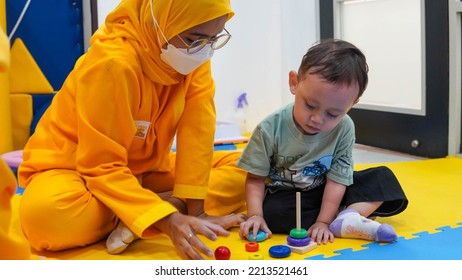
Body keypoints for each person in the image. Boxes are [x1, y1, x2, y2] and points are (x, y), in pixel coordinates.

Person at [17, 0, 247, 260]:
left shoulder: (194, 59)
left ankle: (156, 206)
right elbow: (100, 165)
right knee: (45, 217)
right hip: (74, 170)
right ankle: (145, 210)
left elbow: (198, 133)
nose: (203, 50)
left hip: (144, 170)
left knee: (253, 167)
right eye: (194, 39)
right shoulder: (114, 63)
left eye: (213, 39)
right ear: (161, 21)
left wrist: (195, 209)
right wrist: (168, 221)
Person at [237, 39, 408, 245]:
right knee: (273, 213)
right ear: (294, 82)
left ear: (352, 104)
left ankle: (345, 218)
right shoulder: (269, 129)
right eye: (310, 105)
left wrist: (324, 222)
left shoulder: (345, 127)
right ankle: (349, 216)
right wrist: (256, 215)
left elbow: (338, 179)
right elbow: (255, 179)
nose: (317, 119)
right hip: (289, 195)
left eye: (333, 114)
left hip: (329, 189)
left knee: (383, 179)